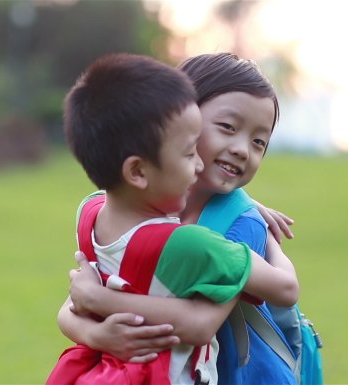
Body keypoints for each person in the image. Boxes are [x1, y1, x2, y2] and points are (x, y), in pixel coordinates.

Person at [46, 53, 299, 385]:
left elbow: (201, 324)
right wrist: (97, 334)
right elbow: (74, 305)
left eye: (259, 142)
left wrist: (265, 235)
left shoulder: (240, 226)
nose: (242, 149)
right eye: (227, 127)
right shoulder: (139, 206)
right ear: (182, 115)